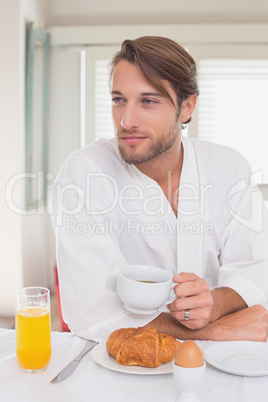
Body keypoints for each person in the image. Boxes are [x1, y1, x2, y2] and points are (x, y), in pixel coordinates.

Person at [50, 36, 268, 343]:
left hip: (222, 362)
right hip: (121, 363)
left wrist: (216, 302)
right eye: (119, 100)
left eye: (148, 101)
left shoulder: (229, 167)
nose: (127, 120)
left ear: (186, 107)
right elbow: (94, 311)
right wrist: (215, 330)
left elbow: (256, 265)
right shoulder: (84, 173)